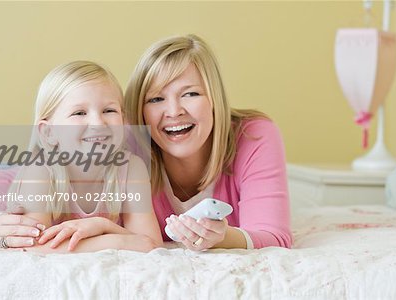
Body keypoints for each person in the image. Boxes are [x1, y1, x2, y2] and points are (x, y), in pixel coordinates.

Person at [123, 34, 292, 250]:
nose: (174, 111)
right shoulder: (127, 146)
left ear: (214, 99)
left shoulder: (254, 135)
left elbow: (275, 237)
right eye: (156, 99)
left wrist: (222, 238)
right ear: (141, 111)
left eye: (190, 94)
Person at [0, 61, 162, 253]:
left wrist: (103, 226)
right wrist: (116, 241)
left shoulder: (131, 167)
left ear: (124, 120)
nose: (98, 122)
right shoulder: (40, 170)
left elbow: (150, 243)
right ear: (48, 132)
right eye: (79, 113)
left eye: (109, 110)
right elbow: (33, 246)